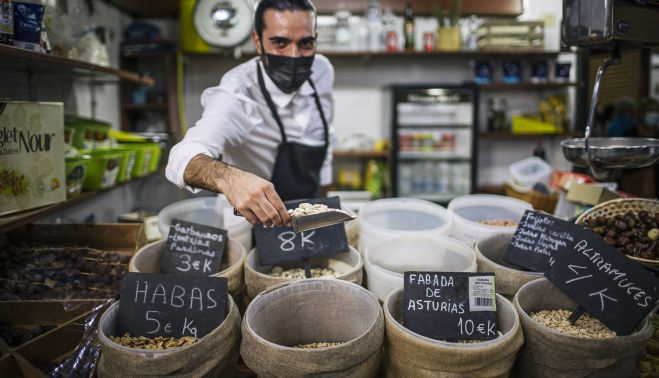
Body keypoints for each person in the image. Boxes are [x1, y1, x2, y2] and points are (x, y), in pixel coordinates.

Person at [166, 0, 334, 228]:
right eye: (280, 42)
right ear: (258, 41)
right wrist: (231, 179)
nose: (294, 56)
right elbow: (181, 157)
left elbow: (322, 133)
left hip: (307, 217)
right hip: (248, 224)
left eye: (305, 43)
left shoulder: (321, 71)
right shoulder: (237, 92)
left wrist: (323, 200)